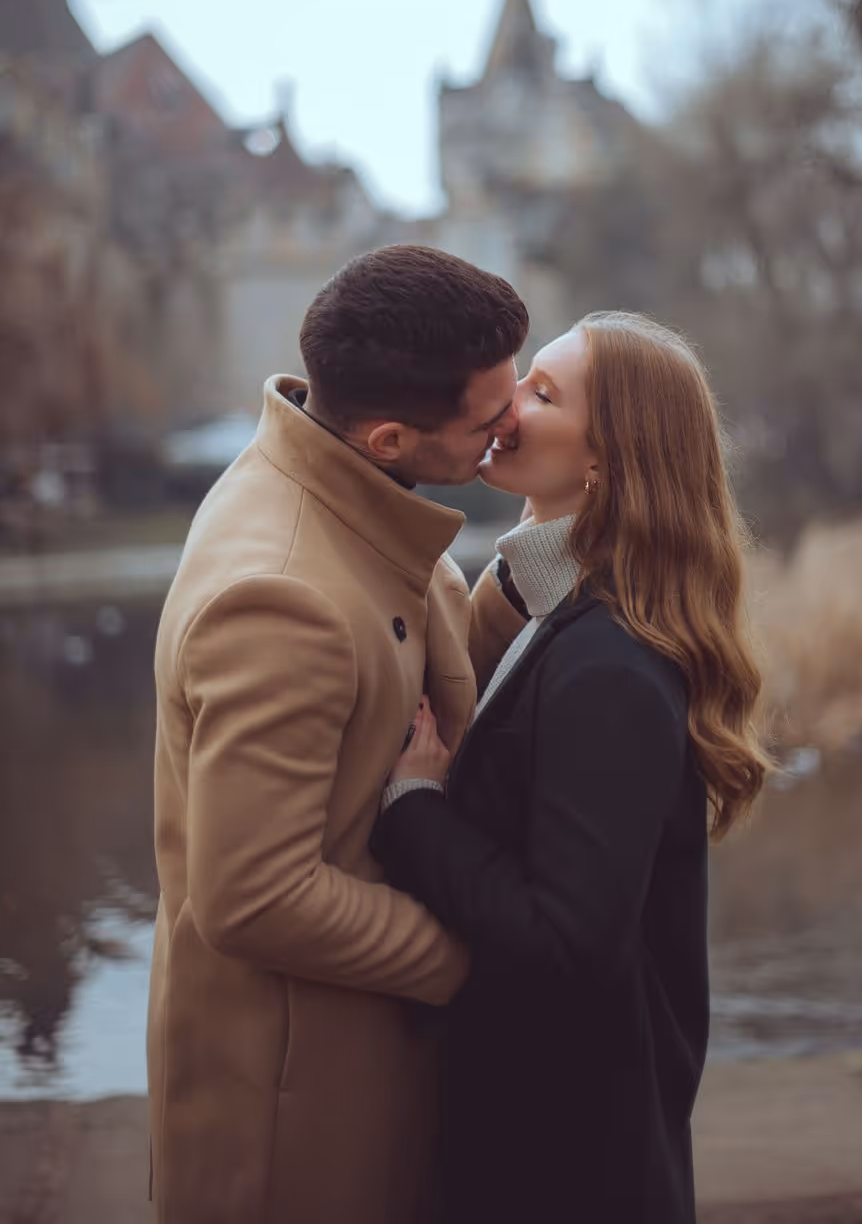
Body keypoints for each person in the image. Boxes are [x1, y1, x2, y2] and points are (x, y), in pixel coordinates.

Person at [147, 244, 528, 1224]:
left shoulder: (332, 479)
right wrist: (475, 961)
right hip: (299, 1115)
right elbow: (250, 895)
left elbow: (403, 655)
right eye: (491, 418)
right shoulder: (280, 594)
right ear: (393, 436)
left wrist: (541, 570)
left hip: (356, 1057)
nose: (515, 423)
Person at [372, 310, 768, 1224]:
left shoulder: (610, 667)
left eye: (542, 394)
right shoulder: (556, 614)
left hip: (568, 1163)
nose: (507, 406)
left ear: (605, 462)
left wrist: (417, 809)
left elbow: (566, 942)